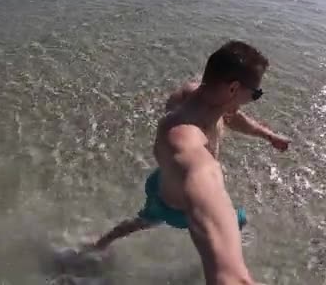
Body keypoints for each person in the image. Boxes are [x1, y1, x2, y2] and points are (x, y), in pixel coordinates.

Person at [88, 41, 290, 284]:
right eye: (256, 94)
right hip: (178, 204)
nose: (255, 99)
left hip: (163, 181)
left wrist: (268, 135)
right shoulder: (186, 139)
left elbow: (233, 117)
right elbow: (198, 172)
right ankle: (96, 248)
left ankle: (96, 246)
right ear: (234, 88)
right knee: (231, 222)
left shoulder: (196, 94)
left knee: (141, 221)